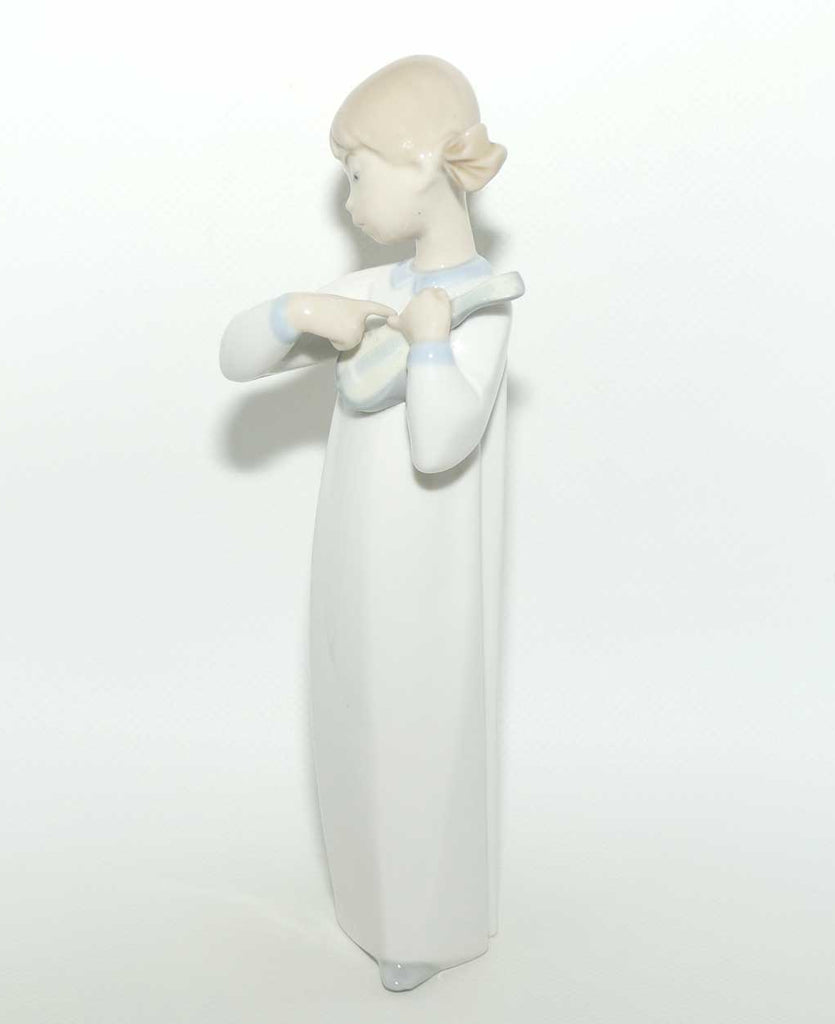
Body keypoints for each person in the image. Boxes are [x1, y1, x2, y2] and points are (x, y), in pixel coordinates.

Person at [219, 55, 515, 991]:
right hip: (352, 559)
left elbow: (439, 442)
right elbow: (236, 358)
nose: (348, 200)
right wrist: (302, 311)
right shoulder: (370, 288)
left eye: (357, 173)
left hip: (426, 579)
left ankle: (425, 923)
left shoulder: (482, 306)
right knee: (354, 724)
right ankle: (369, 903)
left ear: (423, 159)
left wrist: (428, 344)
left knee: (418, 732)